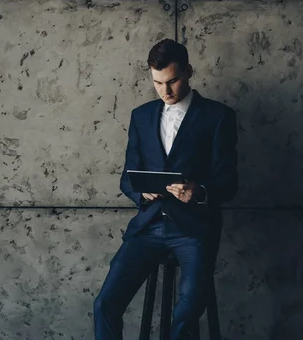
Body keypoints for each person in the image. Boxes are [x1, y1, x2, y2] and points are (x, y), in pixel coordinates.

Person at [93, 39, 238, 339]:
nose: (165, 91)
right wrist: (141, 193)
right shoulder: (141, 116)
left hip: (194, 231)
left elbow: (228, 183)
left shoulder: (218, 116)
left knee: (185, 314)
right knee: (105, 303)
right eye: (157, 83)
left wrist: (198, 192)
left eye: (172, 81)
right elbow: (126, 178)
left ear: (188, 71)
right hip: (147, 227)